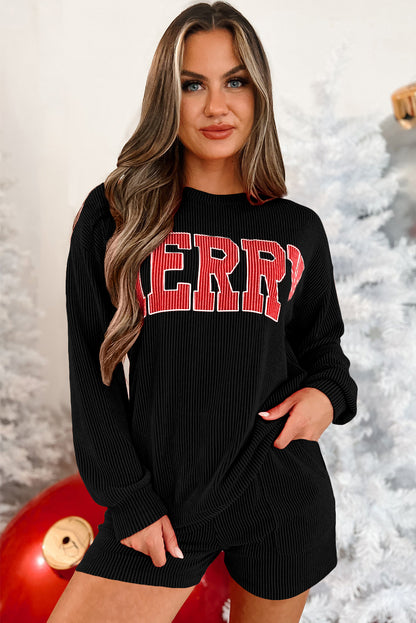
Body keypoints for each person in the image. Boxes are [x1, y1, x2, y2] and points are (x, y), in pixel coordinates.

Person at [48, 2, 358, 622]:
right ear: (167, 97)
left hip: (280, 497)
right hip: (164, 505)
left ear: (258, 93)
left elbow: (324, 351)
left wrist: (328, 396)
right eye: (193, 85)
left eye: (234, 81)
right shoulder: (117, 216)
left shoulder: (297, 230)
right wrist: (131, 501)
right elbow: (92, 375)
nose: (217, 106)